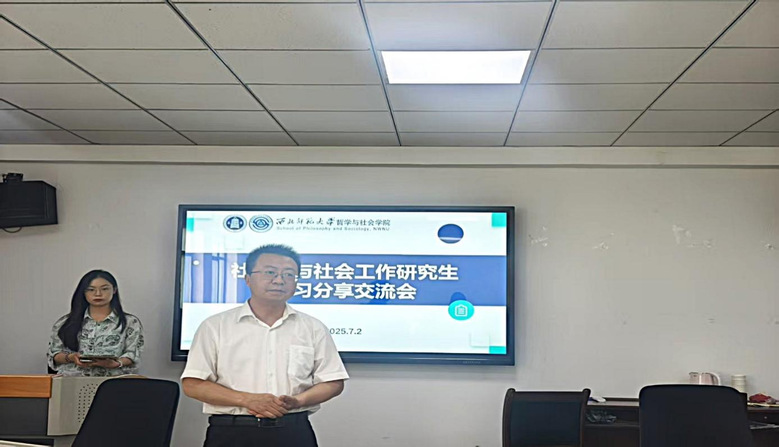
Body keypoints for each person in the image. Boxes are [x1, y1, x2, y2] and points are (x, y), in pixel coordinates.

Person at [182, 244, 348, 447]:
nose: (279, 280)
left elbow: (333, 382)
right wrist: (247, 400)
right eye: (270, 272)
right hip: (231, 432)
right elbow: (193, 384)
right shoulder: (215, 326)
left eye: (289, 274)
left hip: (293, 431)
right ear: (248, 279)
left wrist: (298, 401)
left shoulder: (313, 327)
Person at [47, 269, 144, 376]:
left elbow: (133, 353)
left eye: (104, 289)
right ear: (83, 292)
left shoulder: (130, 322)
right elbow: (54, 354)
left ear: (114, 290)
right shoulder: (65, 322)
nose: (98, 294)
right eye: (91, 289)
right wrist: (71, 357)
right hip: (72, 379)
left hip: (113, 380)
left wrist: (117, 363)